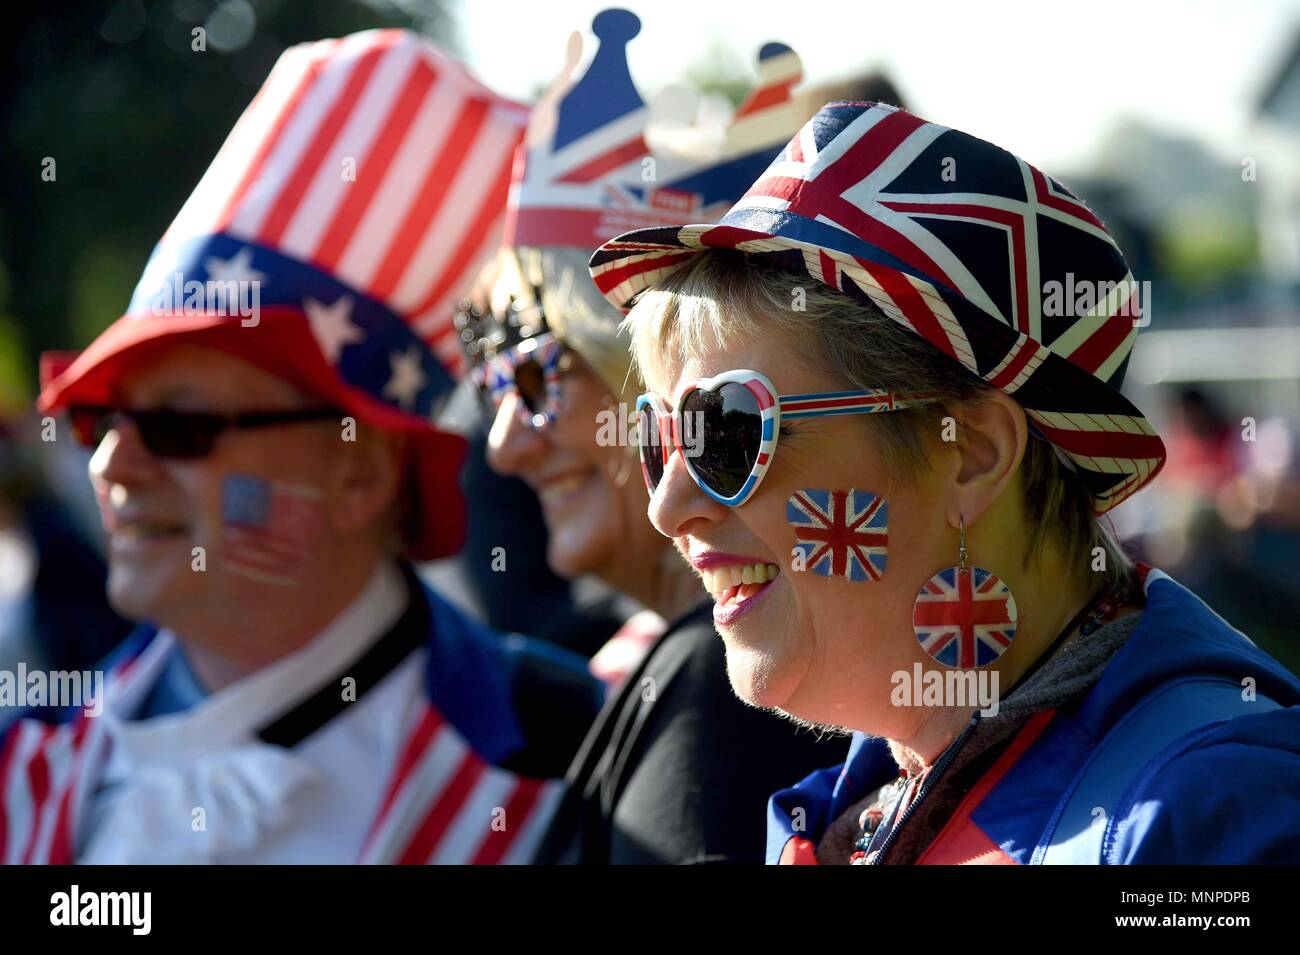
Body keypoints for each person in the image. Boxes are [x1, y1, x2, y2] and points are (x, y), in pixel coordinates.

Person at [594, 100, 1300, 864]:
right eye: (664, 437)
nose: (669, 507)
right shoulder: (873, 797)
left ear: (969, 450)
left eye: (726, 430)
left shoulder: (1214, 814)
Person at [0, 29, 602, 865]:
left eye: (180, 427)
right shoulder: (18, 773)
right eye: (103, 420)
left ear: (357, 473)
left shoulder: (577, 760)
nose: (110, 465)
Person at [466, 9, 847, 864]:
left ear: (666, 375)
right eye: (489, 379)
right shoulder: (683, 663)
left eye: (534, 374)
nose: (502, 443)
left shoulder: (730, 686)